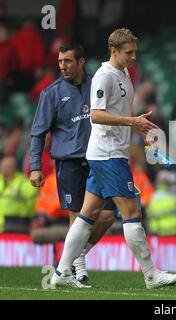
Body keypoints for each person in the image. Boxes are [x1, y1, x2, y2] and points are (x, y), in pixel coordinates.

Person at [51, 28, 176, 289]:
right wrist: (131, 121)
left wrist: (140, 130)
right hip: (108, 155)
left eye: (135, 51)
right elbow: (96, 115)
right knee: (132, 212)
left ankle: (61, 273)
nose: (133, 56)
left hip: (109, 153)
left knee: (87, 213)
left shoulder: (123, 75)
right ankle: (151, 276)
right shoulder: (104, 76)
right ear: (114, 50)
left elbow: (120, 115)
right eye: (128, 52)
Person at [30, 43, 117, 287]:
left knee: (108, 215)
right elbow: (38, 133)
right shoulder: (52, 93)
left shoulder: (98, 83)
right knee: (78, 215)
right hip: (69, 162)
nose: (63, 66)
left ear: (81, 62)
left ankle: (75, 257)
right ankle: (77, 267)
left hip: (99, 159)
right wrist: (35, 166)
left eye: (68, 61)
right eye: (60, 62)